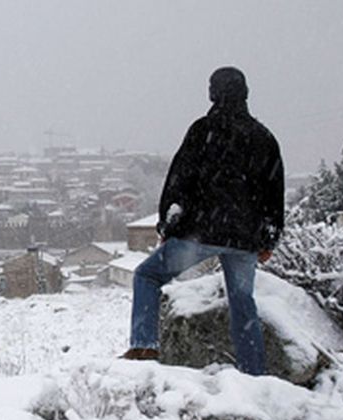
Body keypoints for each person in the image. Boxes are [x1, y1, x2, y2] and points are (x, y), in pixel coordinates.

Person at [121, 66, 284, 375]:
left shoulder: (202, 131)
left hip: (201, 232)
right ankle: (254, 373)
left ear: (212, 92)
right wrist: (268, 239)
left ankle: (144, 348)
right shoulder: (264, 138)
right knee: (242, 304)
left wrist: (168, 225)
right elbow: (273, 193)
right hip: (245, 239)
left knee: (147, 276)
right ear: (245, 93)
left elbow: (180, 180)